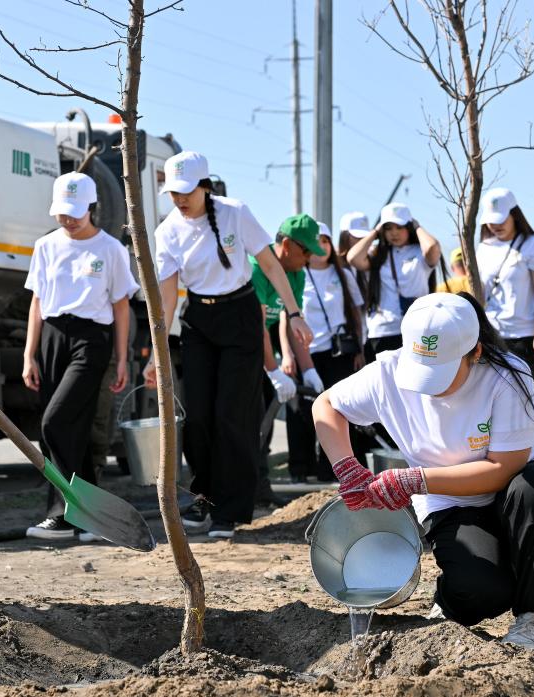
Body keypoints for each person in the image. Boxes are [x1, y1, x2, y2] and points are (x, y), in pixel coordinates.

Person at [313, 292, 534, 651]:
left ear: (475, 352)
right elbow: (325, 405)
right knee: (481, 591)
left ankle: (532, 618)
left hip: (515, 489)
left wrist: (415, 480)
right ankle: (452, 600)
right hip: (451, 502)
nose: (429, 388)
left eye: (441, 373)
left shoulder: (505, 378)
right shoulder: (387, 373)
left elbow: (504, 468)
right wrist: (347, 467)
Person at [143, 151, 312, 539]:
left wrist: (294, 312)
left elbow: (269, 264)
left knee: (232, 416)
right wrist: (157, 353)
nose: (180, 200)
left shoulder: (236, 212)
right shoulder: (167, 230)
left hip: (241, 315)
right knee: (198, 415)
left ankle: (232, 510)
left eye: (187, 191)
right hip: (199, 320)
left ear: (205, 187)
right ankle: (204, 497)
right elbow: (167, 297)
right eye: (173, 193)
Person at [22, 172, 138, 540]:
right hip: (53, 337)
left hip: (92, 340)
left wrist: (122, 359)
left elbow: (121, 307)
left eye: (75, 212)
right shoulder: (46, 246)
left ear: (91, 208)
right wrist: (29, 355)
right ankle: (88, 517)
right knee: (74, 430)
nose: (68, 219)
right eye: (62, 213)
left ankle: (63, 512)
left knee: (54, 423)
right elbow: (37, 303)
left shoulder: (111, 249)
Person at [284, 221, 367, 485]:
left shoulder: (343, 274)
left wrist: (360, 348)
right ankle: (300, 468)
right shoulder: (298, 274)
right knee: (301, 413)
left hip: (338, 352)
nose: (320, 247)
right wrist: (288, 354)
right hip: (306, 352)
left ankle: (332, 469)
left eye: (325, 241)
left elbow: (357, 313)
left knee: (339, 411)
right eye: (315, 242)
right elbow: (287, 317)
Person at [252, 213, 324, 492]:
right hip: (243, 337)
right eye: (306, 251)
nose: (308, 259)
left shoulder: (296, 274)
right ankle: (247, 480)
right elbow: (256, 324)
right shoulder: (257, 267)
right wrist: (272, 369)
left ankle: (260, 479)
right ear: (287, 245)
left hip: (267, 335)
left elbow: (292, 322)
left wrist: (309, 369)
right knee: (251, 411)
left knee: (269, 404)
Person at [476, 188, 534, 384]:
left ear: (514, 215)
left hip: (524, 336)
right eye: (491, 220)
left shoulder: (533, 245)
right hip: (492, 335)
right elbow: (480, 294)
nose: (496, 225)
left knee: (524, 398)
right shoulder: (484, 248)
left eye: (501, 219)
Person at [346, 203, 440, 358]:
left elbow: (432, 247)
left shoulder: (420, 252)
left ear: (408, 227)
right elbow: (353, 257)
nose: (394, 233)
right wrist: (375, 231)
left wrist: (418, 227)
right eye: (388, 228)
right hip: (383, 331)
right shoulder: (378, 254)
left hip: (417, 329)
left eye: (400, 227)